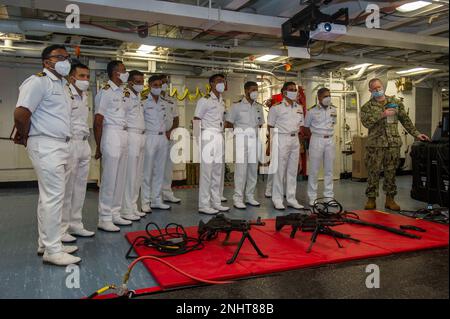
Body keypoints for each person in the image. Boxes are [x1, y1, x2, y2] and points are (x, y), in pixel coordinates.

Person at [14, 44, 80, 265]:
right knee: (54, 197)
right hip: (46, 144)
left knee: (48, 197)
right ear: (46, 62)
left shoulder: (63, 85)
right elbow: (21, 113)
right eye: (60, 57)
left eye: (67, 57)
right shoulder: (38, 81)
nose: (65, 61)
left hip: (59, 145)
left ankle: (48, 243)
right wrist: (24, 136)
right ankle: (53, 250)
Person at [361, 78, 430, 211]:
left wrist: (416, 134)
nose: (377, 90)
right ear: (370, 90)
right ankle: (371, 199)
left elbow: (405, 120)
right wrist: (382, 114)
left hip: (392, 144)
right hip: (375, 146)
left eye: (379, 87)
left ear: (382, 87)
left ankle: (390, 199)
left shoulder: (395, 102)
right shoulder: (366, 107)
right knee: (373, 173)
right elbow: (366, 123)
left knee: (391, 173)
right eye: (374, 88)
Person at [94, 60, 131, 232]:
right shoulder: (105, 92)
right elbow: (98, 121)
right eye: (124, 70)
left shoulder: (123, 92)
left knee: (120, 176)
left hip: (123, 134)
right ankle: (105, 217)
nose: (126, 73)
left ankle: (115, 213)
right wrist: (98, 145)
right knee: (109, 178)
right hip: (111, 134)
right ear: (115, 73)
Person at [60, 63, 95, 244]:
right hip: (70, 143)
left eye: (88, 76)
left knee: (80, 187)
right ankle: (62, 228)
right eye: (82, 76)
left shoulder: (85, 95)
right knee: (66, 189)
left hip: (83, 143)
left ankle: (76, 223)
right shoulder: (65, 93)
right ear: (71, 77)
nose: (86, 80)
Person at [194, 74, 230, 215]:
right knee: (206, 173)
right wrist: (198, 142)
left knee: (217, 171)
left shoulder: (221, 101)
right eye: (218, 81)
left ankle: (216, 202)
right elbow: (196, 119)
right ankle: (204, 204)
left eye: (223, 81)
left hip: (219, 135)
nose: (221, 83)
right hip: (207, 135)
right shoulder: (205, 100)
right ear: (211, 83)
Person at [225, 81, 265, 209]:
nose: (255, 92)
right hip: (242, 140)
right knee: (241, 171)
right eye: (253, 89)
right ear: (246, 90)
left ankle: (250, 196)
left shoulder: (258, 107)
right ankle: (238, 198)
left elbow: (260, 124)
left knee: (253, 170)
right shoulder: (236, 106)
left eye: (257, 89)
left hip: (255, 139)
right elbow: (229, 124)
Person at [267, 82, 305, 210]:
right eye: (291, 89)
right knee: (279, 171)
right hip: (281, 138)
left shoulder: (299, 108)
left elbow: (300, 127)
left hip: (295, 140)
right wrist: (271, 145)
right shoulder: (276, 108)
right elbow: (270, 127)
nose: (294, 91)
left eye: (295, 90)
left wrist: (301, 147)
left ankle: (291, 198)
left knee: (292, 171)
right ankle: (277, 199)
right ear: (284, 92)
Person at [140, 75, 171, 211]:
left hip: (162, 137)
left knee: (160, 170)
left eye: (160, 85)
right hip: (149, 137)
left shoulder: (164, 102)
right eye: (155, 85)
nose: (158, 88)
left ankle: (156, 199)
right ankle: (145, 202)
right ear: (149, 86)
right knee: (147, 171)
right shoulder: (143, 103)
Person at [121, 70, 147, 220]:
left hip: (141, 135)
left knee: (138, 175)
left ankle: (133, 205)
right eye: (137, 82)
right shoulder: (125, 95)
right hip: (131, 134)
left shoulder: (138, 96)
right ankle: (126, 209)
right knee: (130, 174)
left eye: (142, 82)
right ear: (130, 82)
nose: (140, 84)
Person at [304, 88, 337, 206]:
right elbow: (306, 127)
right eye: (325, 96)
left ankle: (329, 197)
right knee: (314, 170)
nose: (328, 98)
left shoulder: (333, 109)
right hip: (317, 139)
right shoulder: (311, 111)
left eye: (329, 95)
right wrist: (312, 138)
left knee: (329, 170)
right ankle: (312, 197)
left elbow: (333, 124)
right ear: (319, 98)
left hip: (330, 140)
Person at [160, 74, 181, 204]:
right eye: (162, 82)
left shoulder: (172, 100)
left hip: (168, 136)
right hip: (154, 136)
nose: (164, 85)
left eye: (166, 82)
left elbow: (176, 119)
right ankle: (153, 195)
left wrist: (171, 131)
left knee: (168, 166)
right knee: (154, 167)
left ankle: (167, 192)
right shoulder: (147, 99)